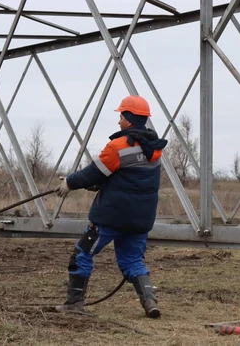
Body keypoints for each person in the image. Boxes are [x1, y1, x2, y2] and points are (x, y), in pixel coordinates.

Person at [54, 95, 167, 318]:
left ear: (129, 118)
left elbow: (93, 173)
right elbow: (129, 178)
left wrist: (69, 183)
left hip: (112, 217)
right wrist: (103, 183)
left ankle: (74, 304)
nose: (118, 121)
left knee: (82, 254)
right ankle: (150, 302)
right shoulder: (155, 150)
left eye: (121, 116)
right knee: (132, 260)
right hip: (140, 219)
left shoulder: (118, 146)